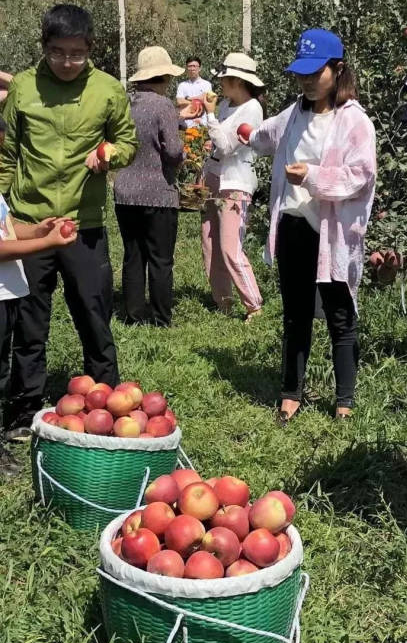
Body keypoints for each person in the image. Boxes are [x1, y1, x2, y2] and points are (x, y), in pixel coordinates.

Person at [0, 4, 138, 436]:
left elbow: (127, 140)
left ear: (90, 49)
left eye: (76, 53)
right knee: (29, 324)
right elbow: (7, 154)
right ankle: (23, 413)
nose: (66, 62)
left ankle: (108, 406)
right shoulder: (23, 88)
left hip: (84, 224)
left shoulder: (107, 90)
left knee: (94, 316)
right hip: (30, 222)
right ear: (44, 47)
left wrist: (109, 155)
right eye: (57, 52)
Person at [243, 28, 376, 422]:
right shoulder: (294, 113)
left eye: (314, 73)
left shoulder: (354, 121)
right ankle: (290, 393)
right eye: (300, 73)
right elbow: (267, 135)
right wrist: (243, 132)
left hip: (332, 234)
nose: (306, 80)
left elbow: (361, 175)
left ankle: (345, 401)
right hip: (294, 226)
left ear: (337, 70)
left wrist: (314, 177)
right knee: (295, 313)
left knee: (340, 315)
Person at [113, 47, 185, 327]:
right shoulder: (163, 105)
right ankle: (160, 317)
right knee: (160, 258)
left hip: (125, 191)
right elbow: (173, 150)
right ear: (164, 76)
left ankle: (133, 314)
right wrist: (182, 157)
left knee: (133, 256)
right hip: (157, 194)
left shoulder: (127, 104)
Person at [0, 204, 77, 464]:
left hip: (8, 294)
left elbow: (7, 231)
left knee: (1, 372)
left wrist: (36, 230)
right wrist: (46, 243)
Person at [199, 52, 264, 319]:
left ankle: (254, 305)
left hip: (236, 182)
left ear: (238, 81)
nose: (221, 84)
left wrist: (211, 117)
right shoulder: (227, 105)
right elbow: (217, 144)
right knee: (210, 243)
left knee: (229, 246)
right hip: (214, 177)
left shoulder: (252, 109)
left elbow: (226, 146)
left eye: (225, 79)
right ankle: (222, 301)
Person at [176, 56, 212, 125]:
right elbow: (179, 101)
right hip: (186, 124)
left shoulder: (207, 84)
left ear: (199, 68)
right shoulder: (182, 85)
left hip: (202, 123)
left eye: (194, 66)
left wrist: (187, 99)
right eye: (189, 66)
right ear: (186, 68)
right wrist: (198, 102)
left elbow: (206, 101)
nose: (192, 69)